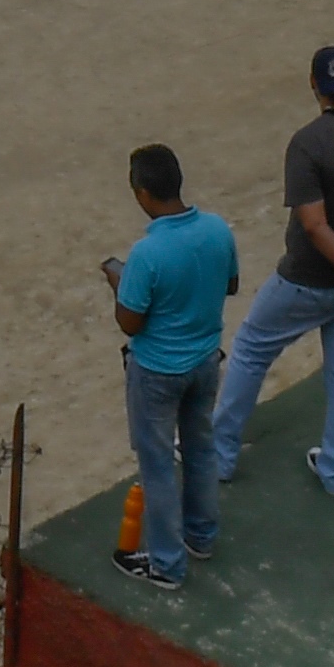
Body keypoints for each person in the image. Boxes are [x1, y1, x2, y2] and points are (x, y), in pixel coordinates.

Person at [203, 47, 334, 500]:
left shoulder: (307, 143)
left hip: (309, 278)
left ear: (313, 85)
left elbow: (314, 224)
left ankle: (219, 458)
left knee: (251, 350)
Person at [103, 144, 237, 588]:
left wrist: (120, 284)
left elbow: (130, 323)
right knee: (200, 448)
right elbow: (231, 283)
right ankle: (202, 536)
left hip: (157, 371)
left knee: (158, 464)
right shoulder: (218, 230)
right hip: (204, 362)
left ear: (142, 193)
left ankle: (165, 564)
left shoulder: (146, 254)